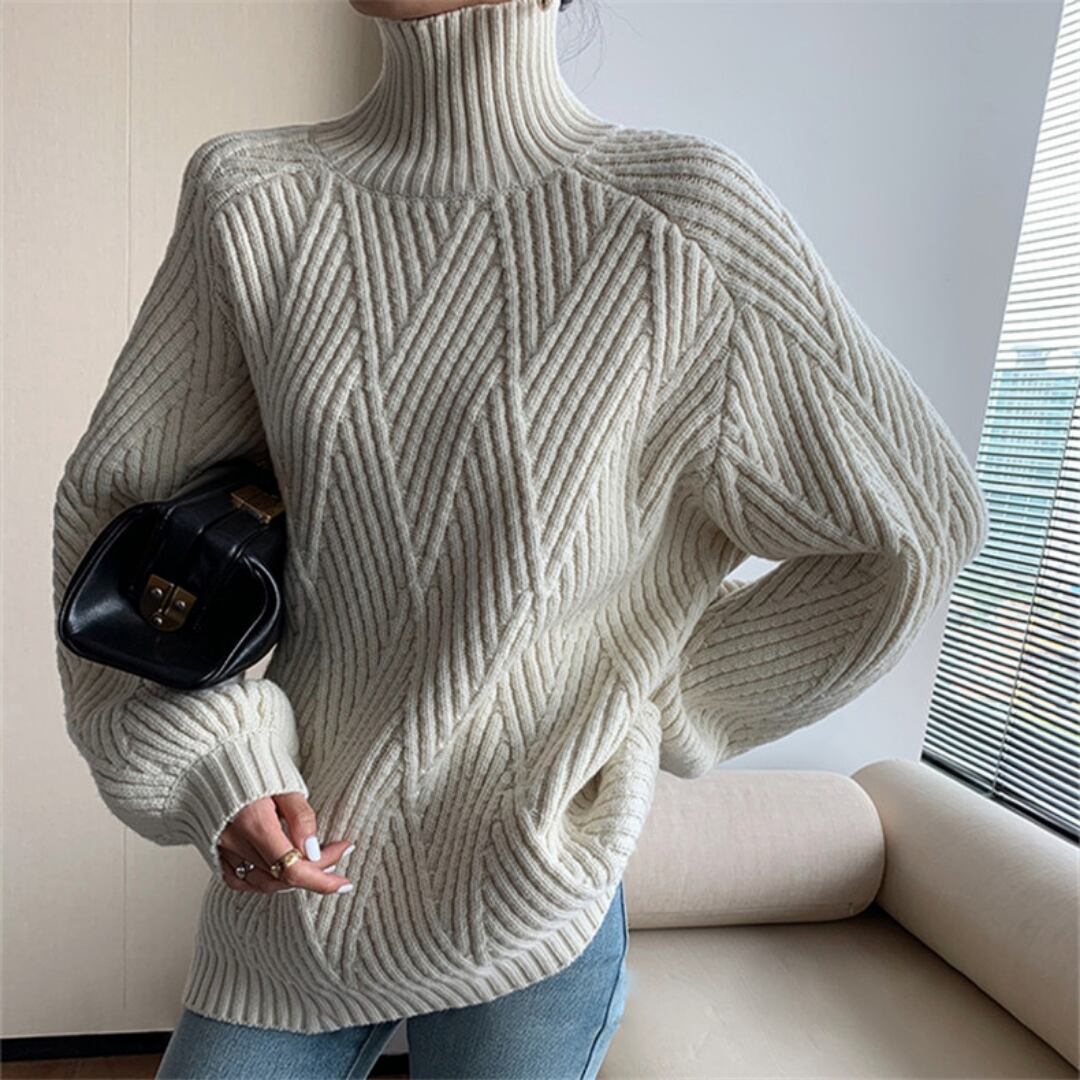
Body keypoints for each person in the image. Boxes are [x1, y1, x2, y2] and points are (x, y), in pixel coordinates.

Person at [50, 0, 989, 1076]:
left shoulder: (681, 221)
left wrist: (664, 699)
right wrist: (216, 758)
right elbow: (122, 523)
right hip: (295, 888)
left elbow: (913, 523)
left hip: (531, 898)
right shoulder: (253, 200)